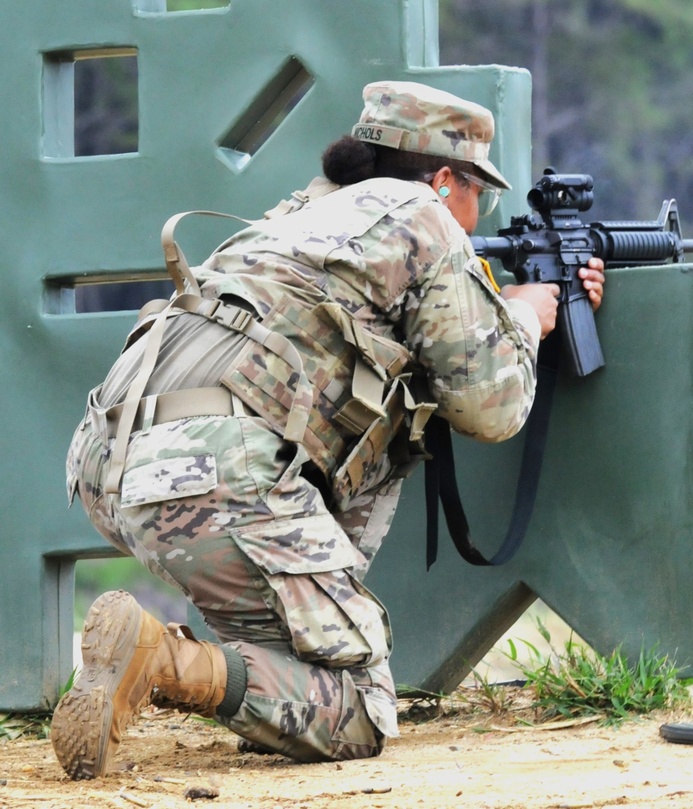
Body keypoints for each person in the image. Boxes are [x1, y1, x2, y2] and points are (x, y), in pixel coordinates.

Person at [51, 80, 606, 779]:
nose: (473, 216)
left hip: (114, 456)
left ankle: (167, 666)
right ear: (441, 179)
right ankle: (157, 659)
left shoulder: (295, 218)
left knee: (291, 667)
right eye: (478, 194)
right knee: (356, 708)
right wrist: (524, 315)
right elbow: (490, 408)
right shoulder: (421, 214)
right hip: (219, 472)